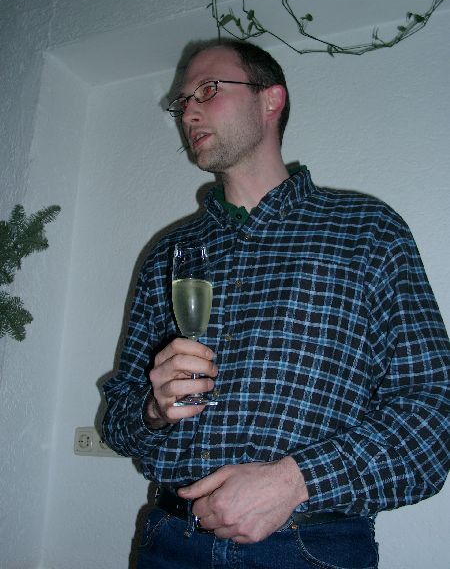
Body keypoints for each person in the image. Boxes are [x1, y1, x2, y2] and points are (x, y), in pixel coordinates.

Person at [102, 39, 450, 569]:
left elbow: (433, 412)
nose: (188, 112)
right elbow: (117, 420)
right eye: (182, 102)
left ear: (271, 99)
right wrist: (152, 409)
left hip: (309, 547)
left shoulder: (366, 232)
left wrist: (294, 482)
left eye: (208, 90)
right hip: (170, 542)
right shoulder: (169, 256)